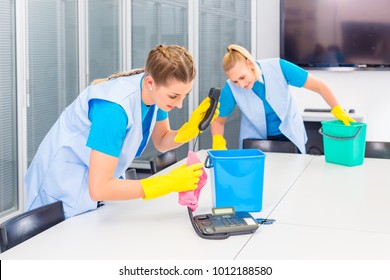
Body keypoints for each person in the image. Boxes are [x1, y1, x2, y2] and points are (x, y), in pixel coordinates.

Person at [25, 44, 218, 219]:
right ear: (151, 82)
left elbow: (161, 140)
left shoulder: (153, 95)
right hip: (60, 191)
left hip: (89, 191)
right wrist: (167, 183)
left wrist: (189, 130)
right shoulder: (113, 111)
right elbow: (100, 188)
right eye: (174, 96)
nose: (179, 104)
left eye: (185, 95)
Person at [211, 44, 355, 153]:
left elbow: (319, 86)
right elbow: (218, 121)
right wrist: (218, 142)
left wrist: (337, 110)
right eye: (235, 81)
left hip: (290, 135)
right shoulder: (231, 88)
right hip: (255, 142)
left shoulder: (278, 67)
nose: (241, 85)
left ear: (250, 64)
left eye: (242, 77)